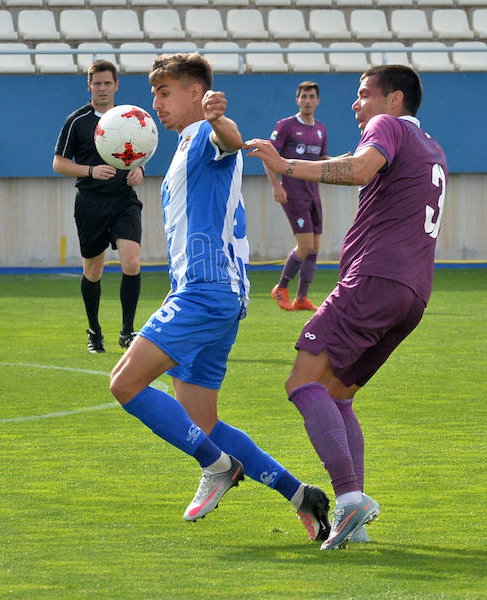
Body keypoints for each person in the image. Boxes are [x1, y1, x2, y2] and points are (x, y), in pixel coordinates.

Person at [108, 52, 331, 540]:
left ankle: (218, 467)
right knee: (201, 421)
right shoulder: (185, 148)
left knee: (124, 384)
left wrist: (219, 118)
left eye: (165, 94)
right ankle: (302, 495)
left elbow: (230, 139)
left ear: (195, 93)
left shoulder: (207, 136)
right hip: (216, 295)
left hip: (205, 293)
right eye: (153, 96)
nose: (156, 105)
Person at [245, 65, 449, 550]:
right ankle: (352, 507)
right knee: (338, 396)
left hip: (374, 281)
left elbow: (359, 168)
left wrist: (285, 164)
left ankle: (348, 498)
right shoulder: (432, 147)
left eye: (363, 95)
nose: (355, 105)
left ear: (394, 100)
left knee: (301, 382)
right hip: (413, 294)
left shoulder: (388, 127)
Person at [53, 60, 144, 354]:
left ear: (116, 85)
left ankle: (128, 331)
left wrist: (140, 171)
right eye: (97, 83)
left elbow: (142, 152)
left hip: (124, 200)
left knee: (132, 262)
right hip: (90, 202)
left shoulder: (131, 118)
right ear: (89, 86)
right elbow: (59, 163)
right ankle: (95, 332)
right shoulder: (77, 121)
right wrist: (90, 171)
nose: (102, 88)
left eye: (108, 83)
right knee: (93, 270)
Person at [266, 82, 330, 313]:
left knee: (314, 247)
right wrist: (276, 185)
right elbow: (269, 156)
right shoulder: (286, 126)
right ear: (297, 100)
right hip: (293, 192)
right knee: (305, 245)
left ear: (317, 100)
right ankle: (281, 288)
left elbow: (320, 159)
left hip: (313, 192)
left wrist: (338, 161)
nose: (307, 100)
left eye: (311, 96)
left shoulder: (321, 128)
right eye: (303, 96)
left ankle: (302, 298)